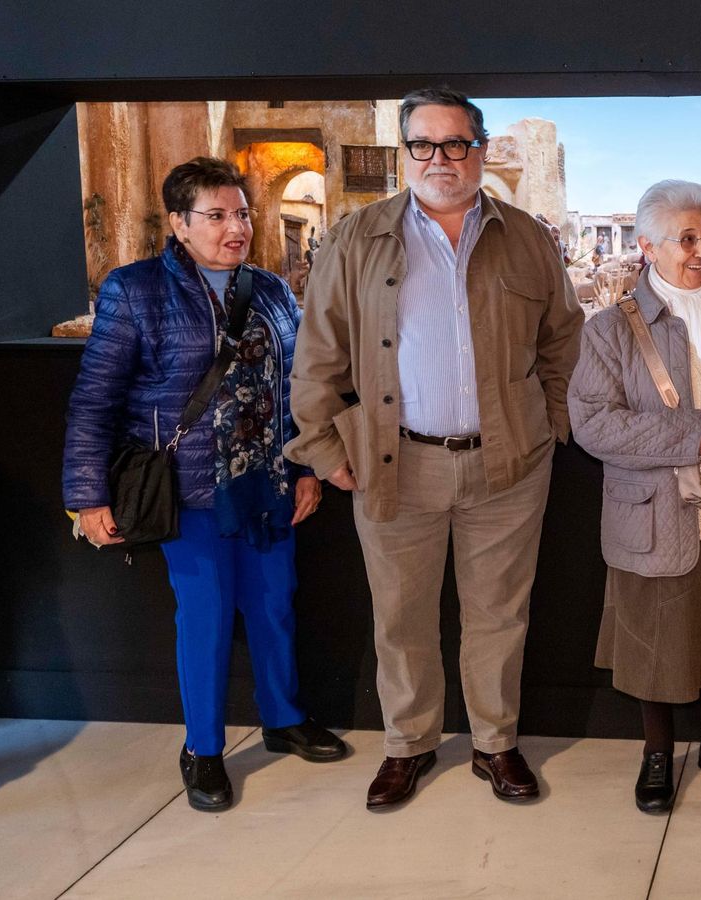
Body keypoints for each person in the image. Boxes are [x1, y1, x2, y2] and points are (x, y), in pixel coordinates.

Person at [285, 87, 582, 811]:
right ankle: (408, 745)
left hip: (508, 463)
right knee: (401, 613)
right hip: (395, 462)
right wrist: (325, 449)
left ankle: (494, 743)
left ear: (479, 150)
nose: (440, 159)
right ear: (403, 154)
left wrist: (551, 425)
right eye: (423, 144)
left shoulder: (528, 239)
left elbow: (563, 340)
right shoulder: (355, 239)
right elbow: (319, 353)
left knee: (499, 614)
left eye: (455, 144)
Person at [63, 156, 346, 812]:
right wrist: (86, 493)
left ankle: (282, 718)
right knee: (208, 616)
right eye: (216, 215)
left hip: (267, 483)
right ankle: (204, 749)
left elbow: (297, 390)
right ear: (179, 224)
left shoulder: (272, 290)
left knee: (276, 605)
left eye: (242, 213)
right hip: (190, 491)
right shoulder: (134, 290)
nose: (235, 227)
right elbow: (93, 400)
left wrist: (305, 469)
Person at [568, 180, 701, 813]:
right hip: (652, 510)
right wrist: (696, 434)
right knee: (651, 637)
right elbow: (593, 424)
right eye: (686, 238)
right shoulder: (608, 330)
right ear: (648, 246)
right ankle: (657, 753)